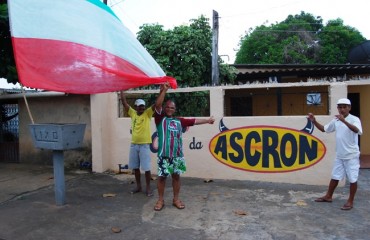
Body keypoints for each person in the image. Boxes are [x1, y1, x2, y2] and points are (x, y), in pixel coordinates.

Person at [153, 83, 215, 211]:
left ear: (175, 110)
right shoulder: (160, 119)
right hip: (164, 155)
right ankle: (160, 200)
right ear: (165, 108)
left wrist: (208, 120)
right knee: (162, 177)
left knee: (176, 176)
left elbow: (194, 121)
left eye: (172, 107)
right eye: (168, 107)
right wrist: (163, 90)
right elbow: (157, 105)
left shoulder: (179, 121)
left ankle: (176, 199)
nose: (170, 109)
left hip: (177, 155)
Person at [307, 98, 363, 210]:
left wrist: (344, 121)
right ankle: (328, 196)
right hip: (340, 154)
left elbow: (357, 131)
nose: (342, 109)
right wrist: (314, 121)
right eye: (340, 107)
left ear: (349, 108)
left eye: (344, 107)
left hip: (351, 155)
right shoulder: (336, 120)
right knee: (335, 176)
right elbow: (324, 129)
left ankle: (350, 201)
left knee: (352, 178)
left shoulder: (354, 119)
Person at [120, 91, 156, 197]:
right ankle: (139, 186)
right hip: (134, 145)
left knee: (147, 168)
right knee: (135, 167)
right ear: (135, 107)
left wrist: (162, 90)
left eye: (143, 106)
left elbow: (156, 104)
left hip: (144, 145)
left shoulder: (147, 114)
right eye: (140, 106)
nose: (142, 108)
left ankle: (148, 188)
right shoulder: (132, 113)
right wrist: (122, 90)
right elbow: (124, 102)